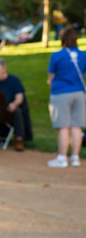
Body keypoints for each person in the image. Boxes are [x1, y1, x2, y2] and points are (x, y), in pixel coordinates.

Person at [46, 27, 86, 167]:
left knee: (63, 126)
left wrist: (50, 82)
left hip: (61, 92)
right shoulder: (83, 55)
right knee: (77, 126)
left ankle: (62, 158)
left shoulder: (57, 55)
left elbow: (51, 77)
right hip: (79, 93)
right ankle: (75, 158)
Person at [0, 57, 33, 151]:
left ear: (4, 68)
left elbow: (20, 97)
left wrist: (14, 104)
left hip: (8, 110)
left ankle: (19, 139)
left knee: (17, 111)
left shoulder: (14, 80)